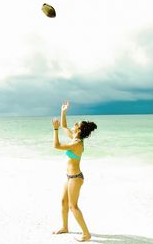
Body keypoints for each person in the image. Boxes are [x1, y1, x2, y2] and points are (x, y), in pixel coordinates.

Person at [51, 101, 97, 242]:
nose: (74, 124)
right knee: (63, 202)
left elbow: (57, 146)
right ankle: (65, 227)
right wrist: (63, 111)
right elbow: (64, 125)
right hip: (69, 177)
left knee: (73, 206)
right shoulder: (75, 137)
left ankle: (86, 234)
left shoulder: (76, 143)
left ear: (78, 129)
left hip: (76, 178)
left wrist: (55, 130)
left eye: (76, 124)